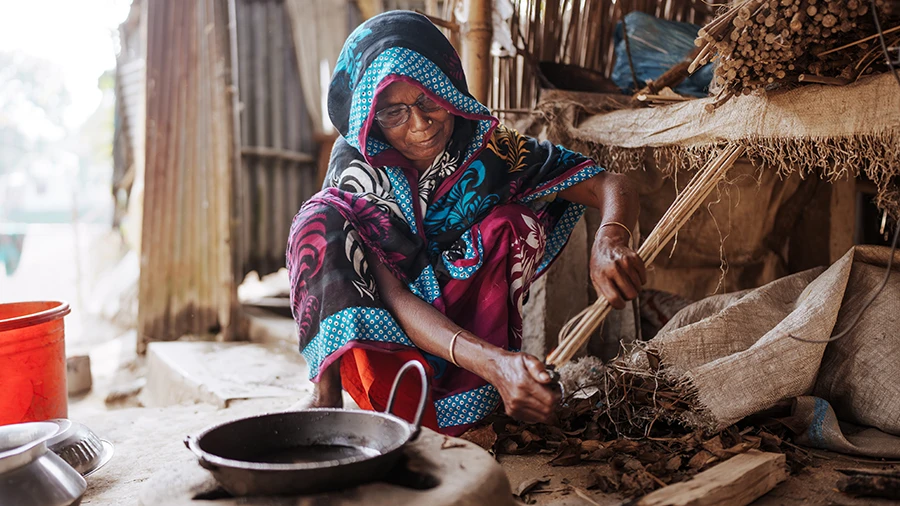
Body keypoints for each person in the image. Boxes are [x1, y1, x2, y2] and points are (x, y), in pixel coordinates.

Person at [287, 11, 645, 437]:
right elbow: (395, 295)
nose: (419, 126)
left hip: (469, 331)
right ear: (371, 115)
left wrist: (610, 237)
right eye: (393, 112)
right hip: (390, 347)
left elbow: (608, 183)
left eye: (428, 101)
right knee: (319, 219)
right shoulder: (357, 167)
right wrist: (495, 363)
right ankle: (325, 392)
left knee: (513, 223)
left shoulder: (490, 147)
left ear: (448, 89)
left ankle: (481, 393)